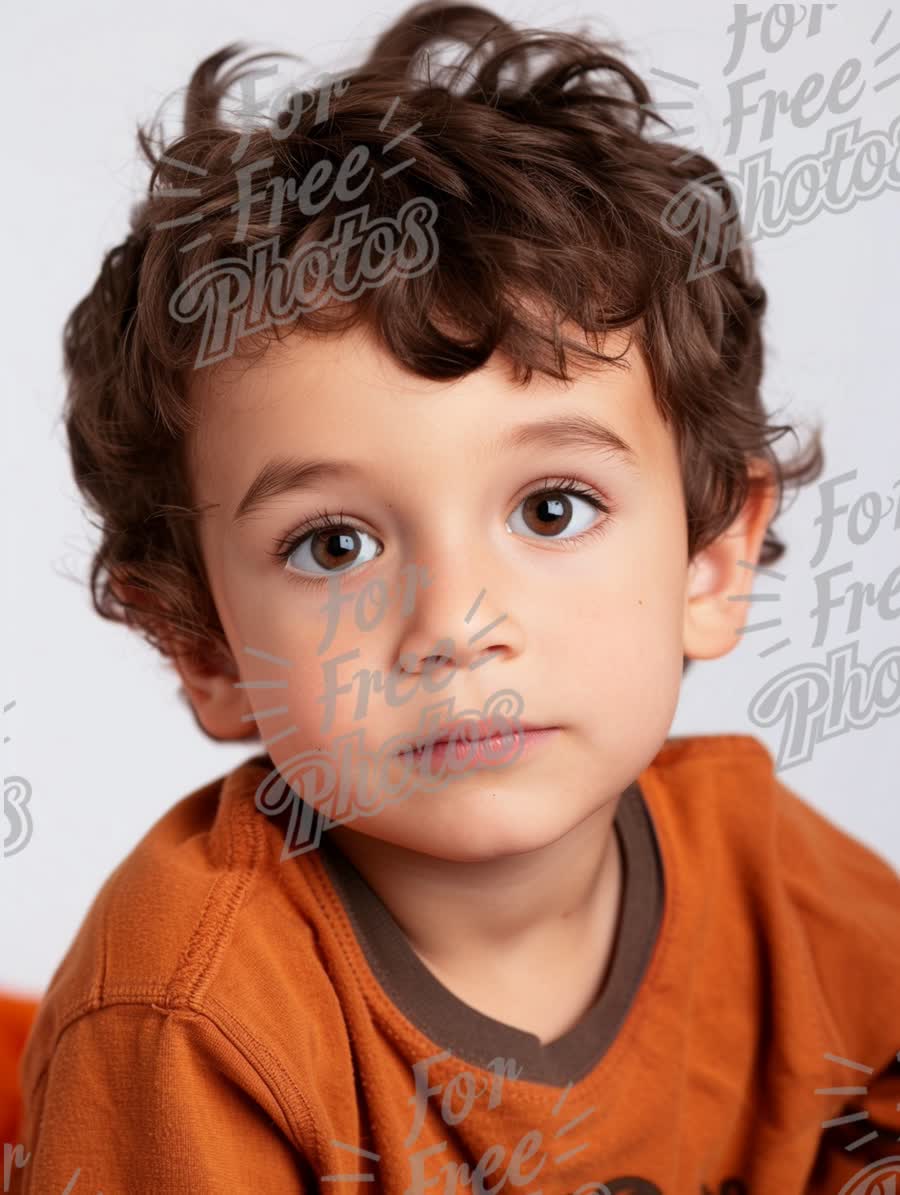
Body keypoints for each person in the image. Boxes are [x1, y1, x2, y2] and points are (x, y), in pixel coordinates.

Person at [12, 2, 900, 1191]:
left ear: (711, 559)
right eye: (333, 544)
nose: (457, 627)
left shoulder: (769, 874)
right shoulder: (186, 1015)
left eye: (550, 509)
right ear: (203, 647)